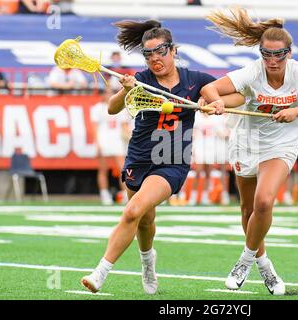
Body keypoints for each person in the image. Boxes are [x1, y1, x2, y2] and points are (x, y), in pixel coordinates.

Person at [80, 19, 239, 295]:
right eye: (148, 53)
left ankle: (100, 273)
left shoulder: (195, 81)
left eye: (161, 51)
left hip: (172, 160)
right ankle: (148, 263)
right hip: (139, 158)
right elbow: (111, 108)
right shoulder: (141, 80)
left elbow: (236, 97)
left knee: (131, 211)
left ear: (173, 50)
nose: (155, 58)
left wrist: (216, 103)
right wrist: (127, 90)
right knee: (144, 220)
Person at [200, 8, 298, 295]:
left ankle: (244, 262)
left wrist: (297, 110)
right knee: (248, 209)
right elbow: (211, 89)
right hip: (247, 143)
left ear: (289, 52)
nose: (272, 61)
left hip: (282, 144)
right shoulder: (253, 71)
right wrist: (216, 103)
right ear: (260, 52)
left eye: (278, 54)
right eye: (266, 54)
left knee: (264, 202)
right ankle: (265, 267)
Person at [90, 88, 133, 205]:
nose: (108, 95)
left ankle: (125, 193)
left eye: (110, 93)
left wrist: (130, 137)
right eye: (106, 92)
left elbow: (124, 126)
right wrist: (97, 143)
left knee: (123, 169)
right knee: (103, 169)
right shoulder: (97, 108)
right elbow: (94, 127)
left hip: (117, 140)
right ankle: (104, 193)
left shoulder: (120, 107)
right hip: (103, 139)